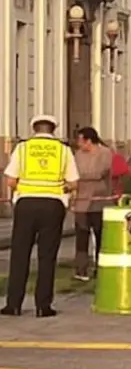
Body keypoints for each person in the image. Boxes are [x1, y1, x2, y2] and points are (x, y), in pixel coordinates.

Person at [1, 115, 78, 317]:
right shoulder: (63, 150)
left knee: (19, 254)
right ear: (54, 129)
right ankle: (43, 306)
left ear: (34, 129)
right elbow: (73, 182)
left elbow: (10, 180)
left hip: (26, 204)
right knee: (47, 256)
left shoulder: (23, 148)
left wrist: (23, 189)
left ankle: (13, 304)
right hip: (53, 205)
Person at [71, 127, 113, 281]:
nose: (79, 144)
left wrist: (79, 177)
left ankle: (100, 268)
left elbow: (99, 173)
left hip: (99, 201)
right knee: (81, 236)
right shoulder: (78, 155)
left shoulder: (105, 153)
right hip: (81, 202)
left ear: (89, 141)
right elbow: (72, 173)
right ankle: (80, 270)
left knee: (101, 236)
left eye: (81, 140)